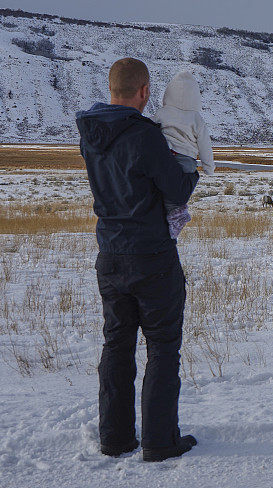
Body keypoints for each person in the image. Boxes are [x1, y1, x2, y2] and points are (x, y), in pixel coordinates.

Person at [75, 57, 199, 462]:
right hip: (152, 257)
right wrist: (190, 165)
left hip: (109, 255)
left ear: (111, 89)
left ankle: (115, 438)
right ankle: (160, 442)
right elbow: (177, 189)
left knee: (117, 345)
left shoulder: (91, 133)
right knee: (163, 348)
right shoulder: (145, 136)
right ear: (145, 92)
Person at [153, 70, 215, 238]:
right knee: (177, 191)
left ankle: (170, 213)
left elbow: (150, 132)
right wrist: (209, 168)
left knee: (160, 186)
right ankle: (177, 213)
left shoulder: (161, 113)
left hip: (165, 157)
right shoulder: (196, 118)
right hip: (187, 161)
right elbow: (204, 145)